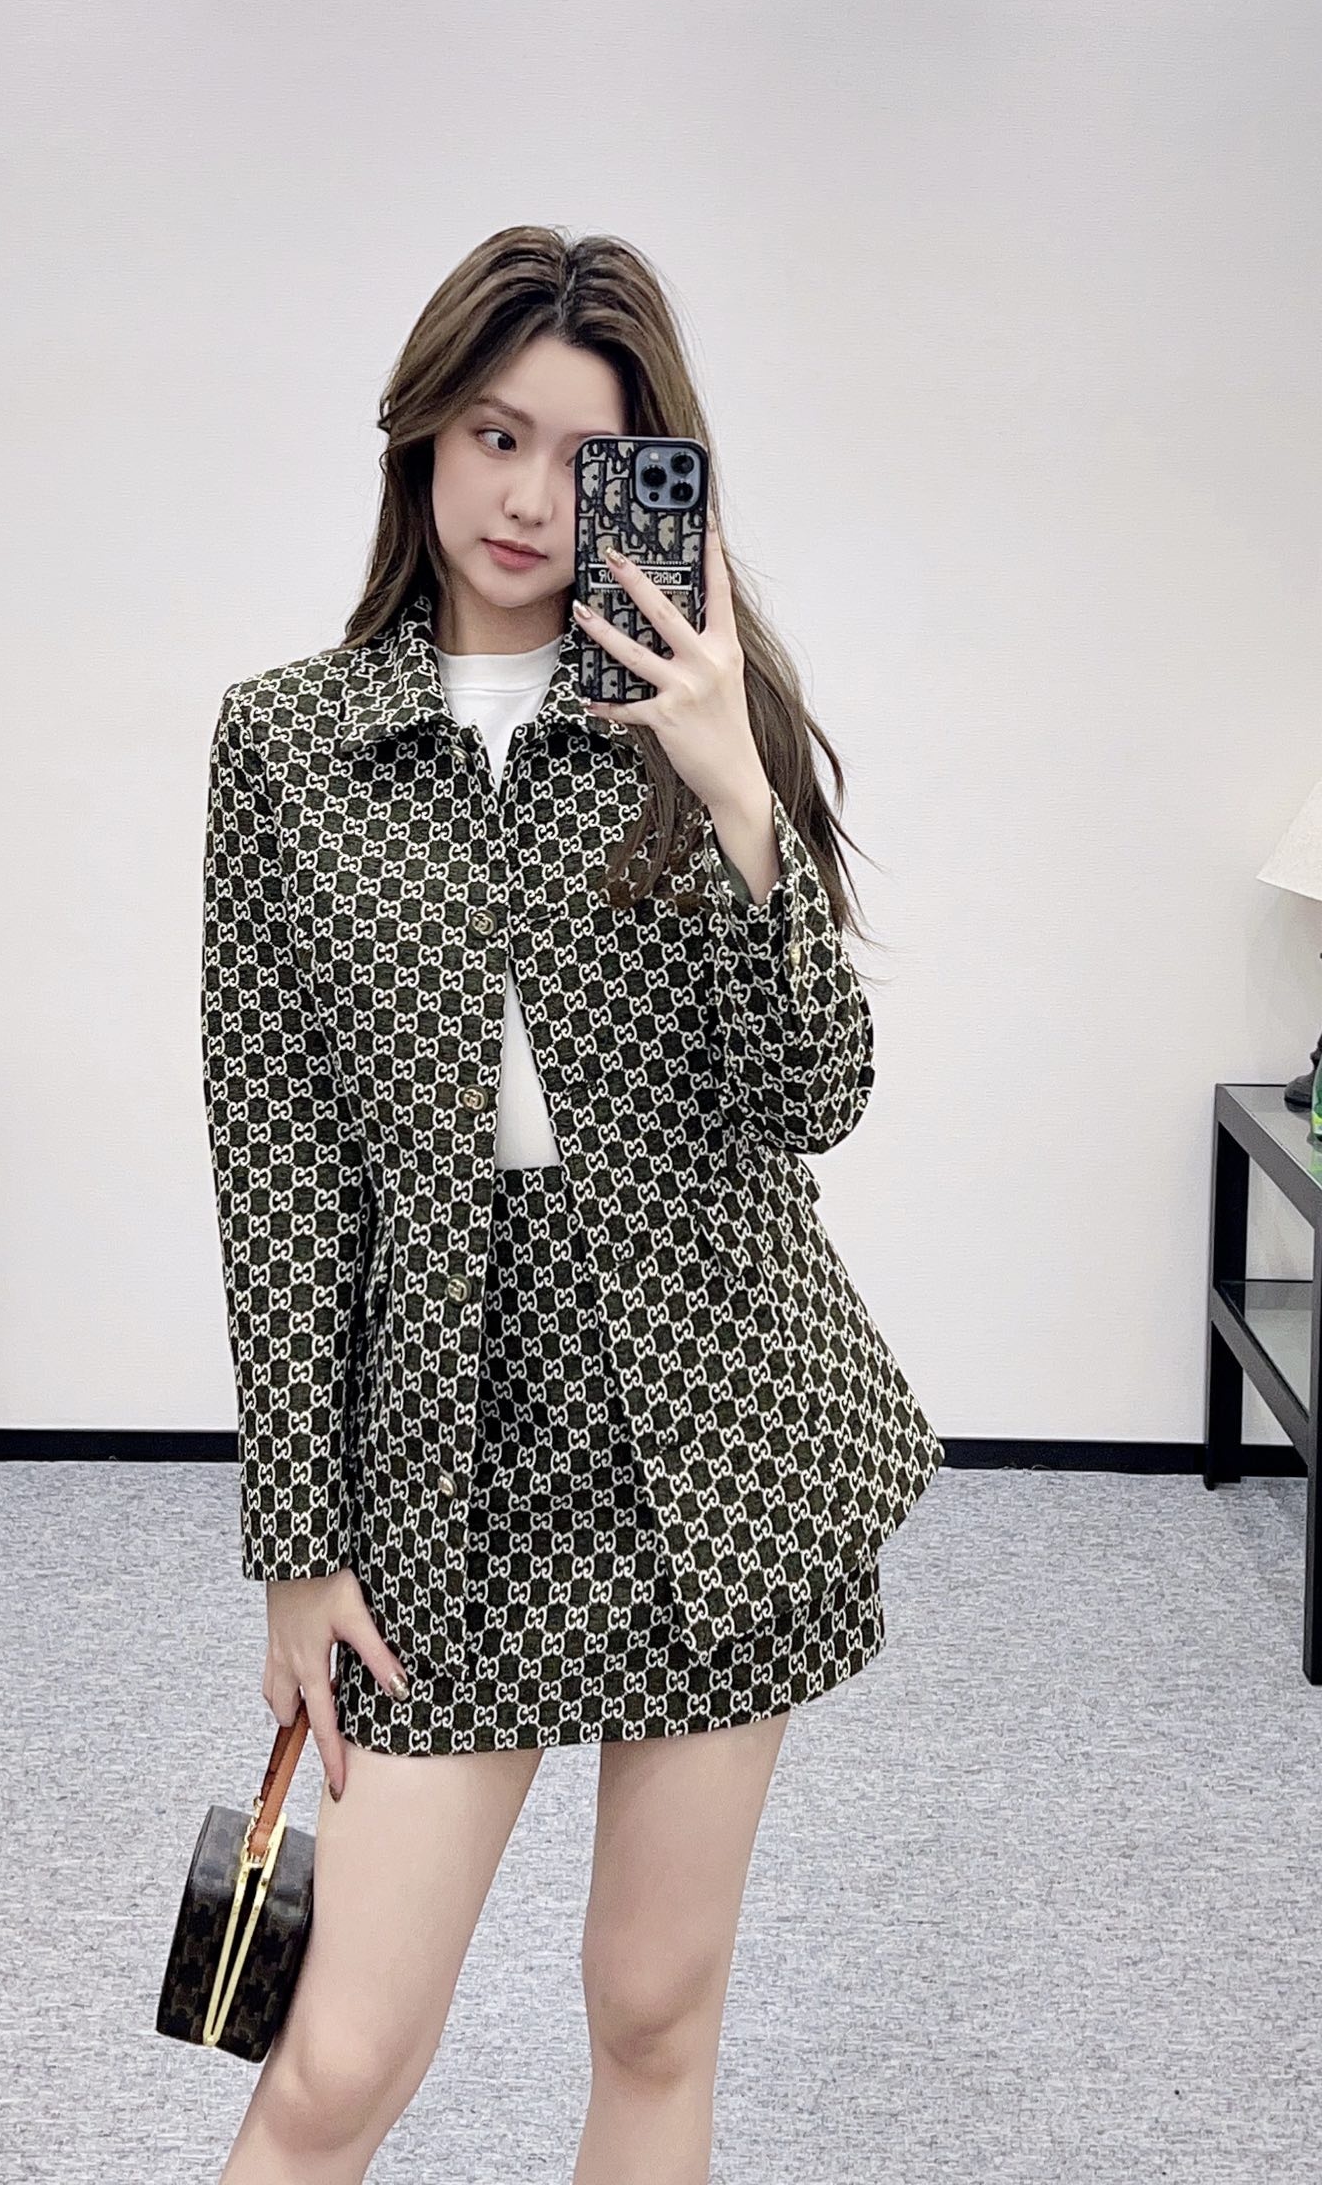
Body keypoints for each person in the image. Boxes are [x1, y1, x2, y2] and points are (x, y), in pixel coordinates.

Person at [201, 224, 944, 2182]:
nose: (529, 495)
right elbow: (278, 1159)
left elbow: (815, 1096)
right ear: (423, 440)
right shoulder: (288, 745)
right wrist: (297, 1540)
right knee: (336, 2059)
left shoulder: (698, 715)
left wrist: (735, 794)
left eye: (584, 453)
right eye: (493, 433)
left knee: (653, 2006)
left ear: (651, 476)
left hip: (717, 1426)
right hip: (442, 1441)